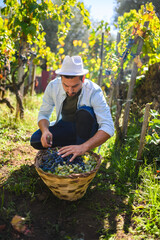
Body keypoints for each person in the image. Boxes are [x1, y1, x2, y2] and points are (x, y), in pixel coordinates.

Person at [30, 55, 114, 161]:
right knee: (36, 140)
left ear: (83, 79)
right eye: (66, 85)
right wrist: (45, 130)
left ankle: (80, 151)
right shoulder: (53, 86)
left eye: (74, 86)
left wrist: (84, 147)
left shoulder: (94, 91)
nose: (70, 91)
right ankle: (70, 147)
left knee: (84, 113)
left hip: (87, 130)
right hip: (67, 127)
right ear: (61, 79)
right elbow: (44, 114)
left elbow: (108, 127)